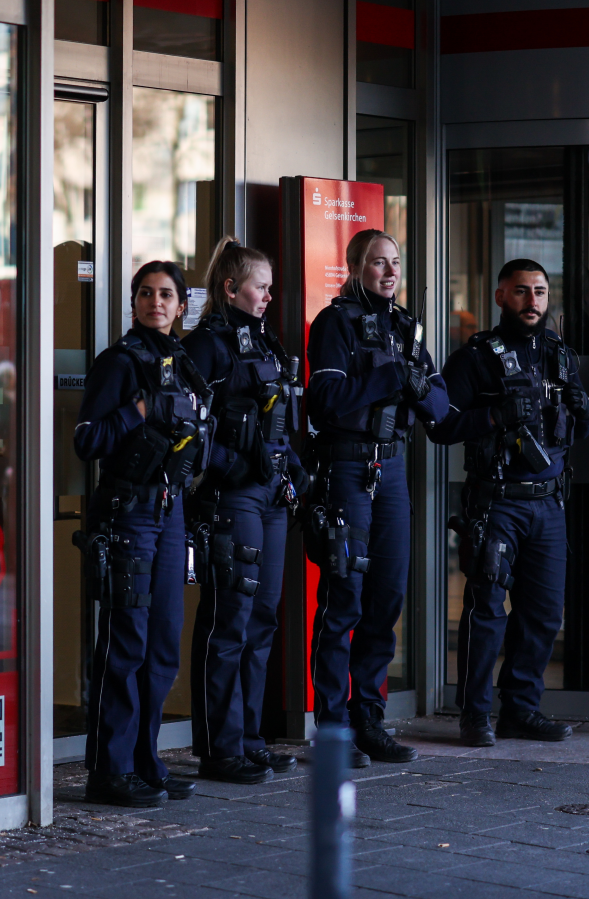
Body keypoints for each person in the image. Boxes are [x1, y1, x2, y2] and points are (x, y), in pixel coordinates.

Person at [430, 259, 589, 747]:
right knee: (488, 611)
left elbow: (577, 432)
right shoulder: (475, 358)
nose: (533, 301)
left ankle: (521, 710)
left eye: (540, 292)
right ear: (501, 296)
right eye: (521, 292)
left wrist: (584, 412)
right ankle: (475, 714)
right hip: (497, 503)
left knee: (543, 612)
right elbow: (440, 426)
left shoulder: (559, 355)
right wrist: (493, 415)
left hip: (548, 505)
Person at [304, 229, 448, 766]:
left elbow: (439, 401)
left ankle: (370, 719)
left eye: (394, 262)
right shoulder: (335, 323)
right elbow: (326, 401)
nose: (389, 272)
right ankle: (334, 730)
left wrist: (415, 385)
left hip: (392, 469)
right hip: (348, 465)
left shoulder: (407, 326)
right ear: (354, 267)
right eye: (377, 262)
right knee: (345, 598)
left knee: (385, 600)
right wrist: (389, 377)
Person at [74, 260, 211, 806]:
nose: (157, 303)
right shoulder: (120, 361)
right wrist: (140, 408)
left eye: (167, 295)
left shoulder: (183, 361)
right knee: (125, 645)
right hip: (128, 512)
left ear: (181, 306)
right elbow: (88, 440)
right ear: (133, 303)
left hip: (169, 509)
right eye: (147, 294)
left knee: (161, 647)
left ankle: (145, 761)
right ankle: (110, 770)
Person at [181, 237, 311, 784]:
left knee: (262, 618)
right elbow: (185, 425)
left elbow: (280, 420)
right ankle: (219, 747)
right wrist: (231, 463)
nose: (267, 296)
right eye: (259, 286)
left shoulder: (266, 343)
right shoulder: (206, 346)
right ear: (230, 288)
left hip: (270, 494)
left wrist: (295, 472)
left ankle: (250, 738)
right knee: (229, 619)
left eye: (270, 287)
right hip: (232, 495)